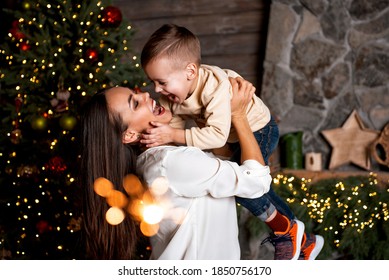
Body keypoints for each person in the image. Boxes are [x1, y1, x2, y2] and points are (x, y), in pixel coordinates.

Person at [139, 23, 324, 260]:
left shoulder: (214, 88)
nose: (157, 89)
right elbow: (170, 132)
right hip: (230, 137)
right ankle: (303, 240)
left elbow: (213, 135)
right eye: (153, 82)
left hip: (258, 129)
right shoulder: (173, 94)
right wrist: (163, 136)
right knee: (241, 186)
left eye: (162, 82)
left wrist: (174, 135)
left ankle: (288, 231)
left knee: (246, 188)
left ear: (190, 72)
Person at [79, 77, 273, 259]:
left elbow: (221, 162)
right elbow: (257, 183)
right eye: (136, 103)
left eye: (136, 93)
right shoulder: (171, 162)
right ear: (129, 135)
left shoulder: (156, 161)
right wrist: (238, 114)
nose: (146, 95)